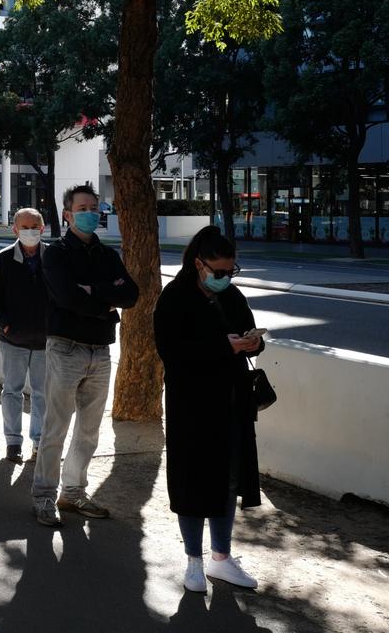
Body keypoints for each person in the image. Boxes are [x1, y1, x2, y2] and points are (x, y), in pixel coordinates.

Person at [155, 226, 265, 594]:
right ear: (199, 264)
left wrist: (252, 342)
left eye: (230, 272)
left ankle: (221, 558)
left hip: (231, 400)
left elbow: (248, 332)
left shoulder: (231, 296)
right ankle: (194, 562)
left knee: (228, 479)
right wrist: (225, 347)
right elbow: (173, 352)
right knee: (192, 481)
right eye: (218, 272)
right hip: (192, 404)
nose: (225, 278)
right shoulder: (174, 298)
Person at [31, 183, 139, 527]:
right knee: (56, 428)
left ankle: (73, 493)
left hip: (101, 350)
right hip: (65, 348)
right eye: (83, 208)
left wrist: (93, 292)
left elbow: (133, 294)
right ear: (67, 214)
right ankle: (44, 496)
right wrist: (107, 298)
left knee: (89, 432)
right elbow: (67, 298)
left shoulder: (107, 255)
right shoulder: (56, 253)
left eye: (95, 207)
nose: (91, 213)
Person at [0, 207, 50, 465]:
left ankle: (40, 442)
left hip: (46, 342)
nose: (29, 231)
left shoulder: (52, 257)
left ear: (42, 228)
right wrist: (5, 326)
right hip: (13, 342)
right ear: (15, 229)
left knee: (43, 394)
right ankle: (13, 443)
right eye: (24, 227)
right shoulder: (3, 259)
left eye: (34, 226)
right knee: (12, 391)